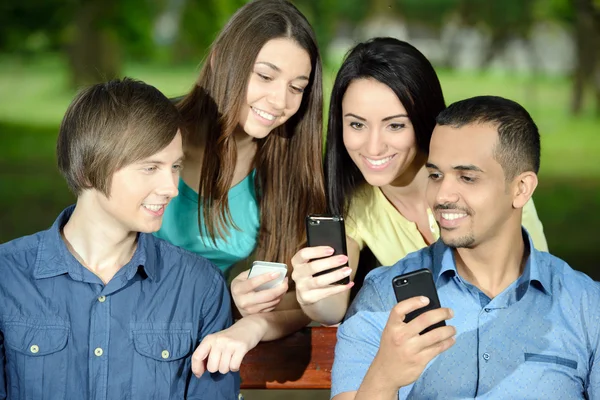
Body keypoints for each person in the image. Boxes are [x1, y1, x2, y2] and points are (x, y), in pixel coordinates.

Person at [330, 96, 600, 400]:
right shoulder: (384, 296)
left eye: (467, 177)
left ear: (521, 188)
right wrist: (384, 377)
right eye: (435, 175)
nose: (442, 195)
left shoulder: (587, 307)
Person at [0, 78, 239, 399]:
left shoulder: (199, 285)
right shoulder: (7, 277)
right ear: (87, 170)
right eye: (150, 167)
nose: (171, 187)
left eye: (175, 166)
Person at [290, 38, 548, 326]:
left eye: (395, 125)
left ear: (421, 119)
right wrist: (312, 293)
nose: (373, 147)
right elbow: (332, 307)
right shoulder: (356, 204)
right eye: (357, 124)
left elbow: (539, 288)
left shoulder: (492, 184)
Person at [154, 0, 325, 375]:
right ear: (219, 60)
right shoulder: (153, 132)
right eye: (265, 76)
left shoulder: (284, 166)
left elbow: (301, 301)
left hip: (201, 350)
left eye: (297, 87)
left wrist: (249, 317)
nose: (280, 102)